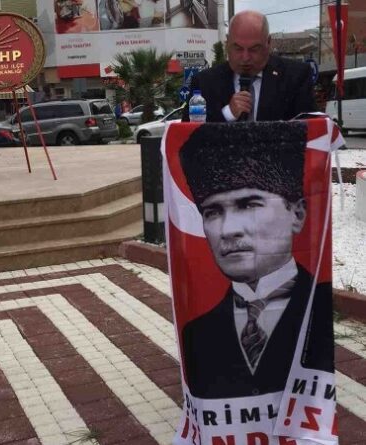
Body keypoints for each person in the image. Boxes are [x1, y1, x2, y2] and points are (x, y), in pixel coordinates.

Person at [178, 122, 334, 399]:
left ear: (297, 214)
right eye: (212, 212)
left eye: (249, 205)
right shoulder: (196, 333)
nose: (228, 230)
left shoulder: (319, 307)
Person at [182, 10, 317, 122]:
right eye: (238, 48)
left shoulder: (296, 77)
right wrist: (228, 113)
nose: (245, 57)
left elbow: (310, 132)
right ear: (227, 42)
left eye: (254, 49)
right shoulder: (204, 82)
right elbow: (188, 135)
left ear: (268, 43)